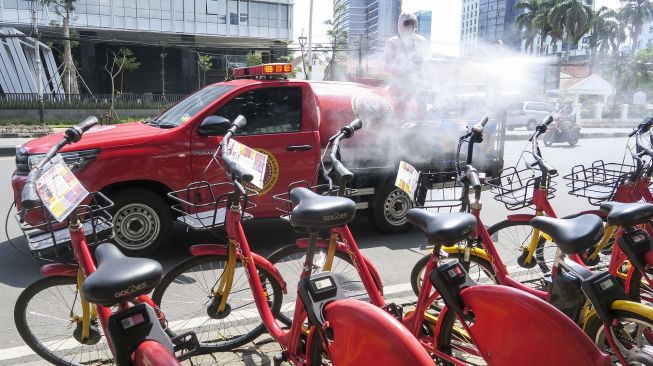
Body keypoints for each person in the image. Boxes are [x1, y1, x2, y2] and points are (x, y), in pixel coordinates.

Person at [384, 13, 430, 120]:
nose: (410, 27)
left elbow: (428, 59)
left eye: (412, 24)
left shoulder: (421, 41)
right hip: (399, 85)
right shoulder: (392, 42)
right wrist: (402, 68)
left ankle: (421, 130)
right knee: (397, 114)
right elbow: (386, 66)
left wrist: (421, 61)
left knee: (422, 113)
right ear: (400, 25)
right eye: (407, 24)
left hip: (418, 84)